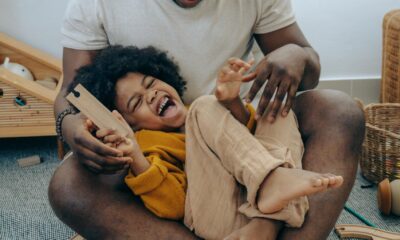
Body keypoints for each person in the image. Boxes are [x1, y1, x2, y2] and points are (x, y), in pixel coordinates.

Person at [48, 0, 365, 239]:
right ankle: (268, 212)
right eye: (137, 100)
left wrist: (297, 55)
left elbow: (307, 70)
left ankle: (266, 222)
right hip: (195, 181)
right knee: (68, 187)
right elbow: (73, 91)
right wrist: (70, 125)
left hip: (238, 131)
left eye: (151, 86)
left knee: (338, 110)